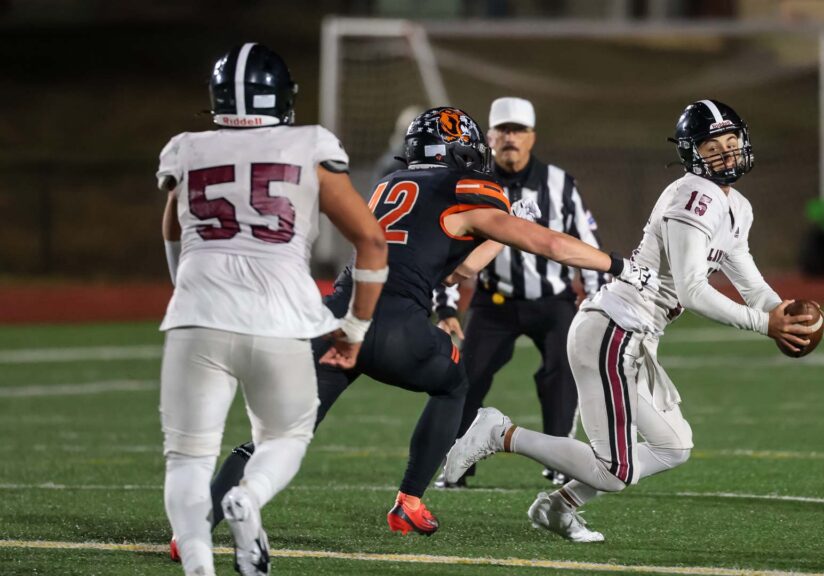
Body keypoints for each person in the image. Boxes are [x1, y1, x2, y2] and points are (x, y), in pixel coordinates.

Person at [198, 105, 656, 541]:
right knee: (454, 382)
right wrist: (616, 264)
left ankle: (195, 529)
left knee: (277, 438)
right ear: (459, 150)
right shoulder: (465, 189)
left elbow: (459, 267)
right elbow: (550, 246)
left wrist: (501, 232)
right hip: (393, 322)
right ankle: (409, 501)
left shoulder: (390, 183)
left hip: (332, 318)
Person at [443, 99, 818, 543]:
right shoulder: (693, 196)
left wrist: (784, 311)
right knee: (615, 469)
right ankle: (500, 433)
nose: (725, 152)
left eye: (731, 140)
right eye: (712, 145)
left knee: (673, 446)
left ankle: (558, 507)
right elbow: (694, 290)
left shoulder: (737, 206)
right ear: (692, 152)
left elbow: (752, 284)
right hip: (613, 331)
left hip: (633, 337)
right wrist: (764, 325)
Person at [159, 43, 387, 576]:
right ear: (282, 97)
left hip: (198, 314)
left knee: (188, 459)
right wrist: (353, 327)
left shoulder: (186, 148)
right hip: (280, 317)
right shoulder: (309, 144)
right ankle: (250, 497)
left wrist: (186, 289)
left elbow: (172, 228)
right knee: (285, 437)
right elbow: (373, 242)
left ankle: (197, 562)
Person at [433, 97, 604, 489]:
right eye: (504, 130)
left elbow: (586, 242)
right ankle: (458, 461)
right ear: (490, 135)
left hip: (554, 301)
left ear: (531, 137)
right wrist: (445, 308)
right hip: (494, 302)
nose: (511, 137)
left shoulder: (559, 183)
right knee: (466, 377)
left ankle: (562, 460)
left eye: (519, 130)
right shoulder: (472, 183)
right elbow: (448, 248)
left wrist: (595, 302)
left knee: (563, 375)